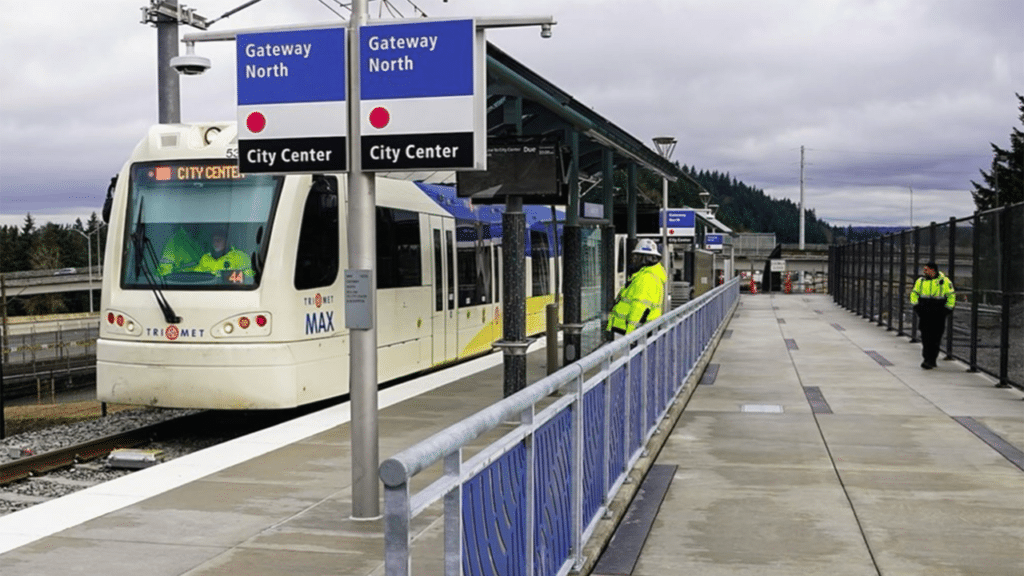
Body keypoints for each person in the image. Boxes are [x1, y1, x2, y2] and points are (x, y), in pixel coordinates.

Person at [607, 238, 667, 335]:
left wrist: (630, 336)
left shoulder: (646, 278)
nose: (633, 259)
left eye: (636, 256)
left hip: (635, 334)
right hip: (639, 332)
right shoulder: (645, 275)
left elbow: (639, 307)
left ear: (643, 258)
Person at [910, 261, 955, 369]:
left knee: (936, 337)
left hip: (938, 313)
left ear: (933, 270)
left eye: (926, 270)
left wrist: (946, 310)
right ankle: (927, 358)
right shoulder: (920, 281)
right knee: (925, 337)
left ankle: (931, 359)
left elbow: (951, 296)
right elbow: (914, 294)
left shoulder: (944, 281)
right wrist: (917, 307)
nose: (924, 271)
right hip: (925, 313)